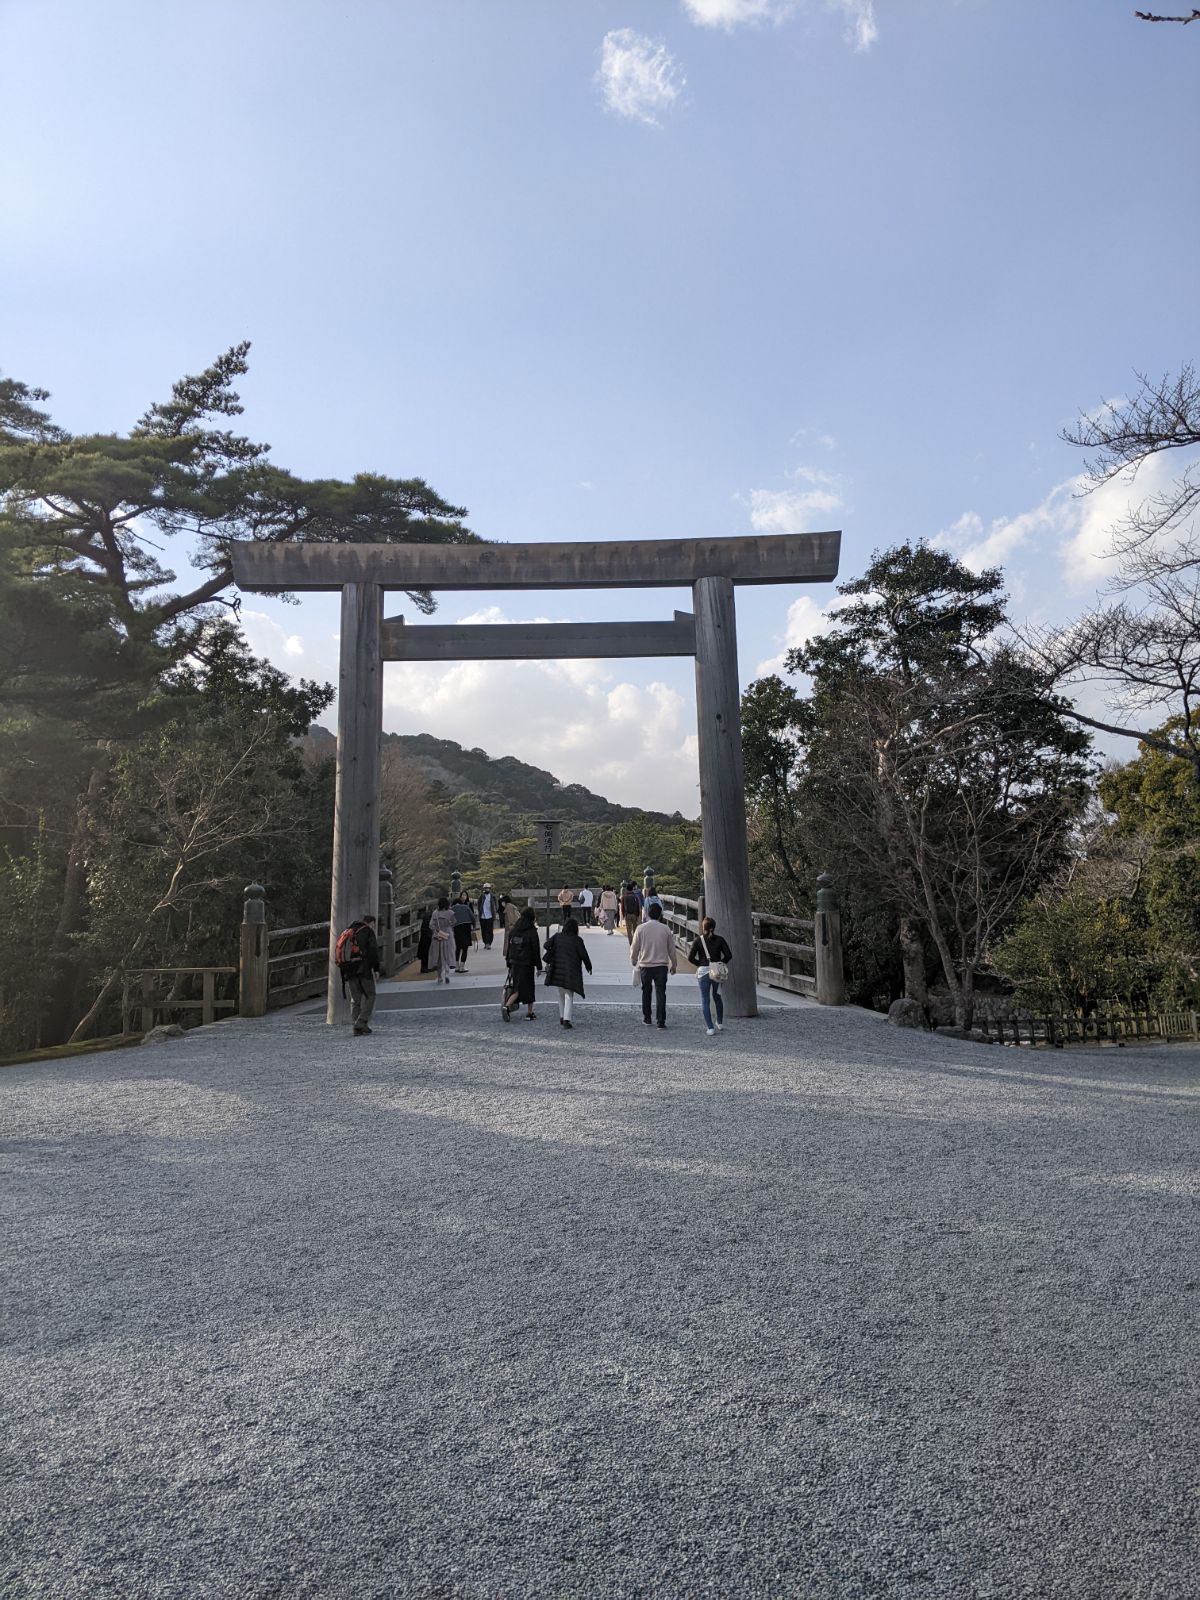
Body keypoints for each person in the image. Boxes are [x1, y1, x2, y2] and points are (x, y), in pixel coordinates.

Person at [630, 902, 676, 1028]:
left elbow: (635, 947)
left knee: (646, 991)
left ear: (648, 914)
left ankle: (647, 1018)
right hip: (661, 965)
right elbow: (672, 949)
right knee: (661, 992)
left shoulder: (641, 928)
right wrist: (674, 964)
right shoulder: (665, 929)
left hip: (645, 964)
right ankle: (661, 1021)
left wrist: (633, 959)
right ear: (660, 914)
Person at [542, 915, 592, 1029]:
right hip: (571, 970)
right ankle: (567, 1019)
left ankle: (561, 1016)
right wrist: (589, 966)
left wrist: (554, 949)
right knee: (569, 994)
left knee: (560, 993)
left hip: (557, 969)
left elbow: (546, 945)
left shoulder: (557, 937)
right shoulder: (577, 940)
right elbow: (584, 955)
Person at [688, 916, 734, 1036]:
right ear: (714, 927)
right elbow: (729, 955)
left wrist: (701, 964)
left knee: (705, 1000)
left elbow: (690, 958)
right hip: (716, 973)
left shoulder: (698, 940)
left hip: (703, 972)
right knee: (717, 996)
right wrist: (720, 964)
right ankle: (720, 1022)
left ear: (703, 927)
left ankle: (710, 1028)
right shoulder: (720, 940)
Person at [338, 914, 382, 1036]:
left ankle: (357, 1026)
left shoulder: (349, 930)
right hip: (363, 969)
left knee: (355, 999)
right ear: (371, 923)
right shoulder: (367, 931)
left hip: (349, 970)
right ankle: (361, 1022)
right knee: (370, 995)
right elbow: (373, 951)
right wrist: (377, 969)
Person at [502, 907, 542, 1021]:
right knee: (528, 987)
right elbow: (535, 950)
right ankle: (527, 1012)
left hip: (514, 962)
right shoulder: (532, 931)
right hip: (527, 963)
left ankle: (508, 1006)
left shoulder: (514, 931)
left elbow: (509, 948)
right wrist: (539, 967)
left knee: (517, 986)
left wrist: (508, 962)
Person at [429, 897, 456, 984]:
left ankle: (439, 976)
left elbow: (431, 925)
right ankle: (447, 973)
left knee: (439, 956)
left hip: (438, 936)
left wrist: (437, 930)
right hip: (448, 935)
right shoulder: (450, 913)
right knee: (447, 955)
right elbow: (454, 922)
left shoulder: (435, 913)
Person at [451, 892, 476, 973]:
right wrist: (474, 926)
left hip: (456, 928)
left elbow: (450, 920)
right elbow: (472, 917)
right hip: (466, 928)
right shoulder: (466, 907)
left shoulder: (452, 909)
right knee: (465, 948)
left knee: (457, 948)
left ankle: (456, 966)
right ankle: (462, 967)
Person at [478, 884, 497, 950]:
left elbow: (496, 905)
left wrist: (495, 912)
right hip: (482, 916)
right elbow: (479, 905)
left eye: (488, 888)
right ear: (484, 889)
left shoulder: (493, 896)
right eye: (486, 888)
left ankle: (489, 943)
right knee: (484, 931)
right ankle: (485, 943)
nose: (487, 889)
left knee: (490, 931)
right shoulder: (481, 896)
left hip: (490, 916)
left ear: (490, 889)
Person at [416, 905, 433, 972]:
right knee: (428, 952)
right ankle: (427, 967)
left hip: (424, 937)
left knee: (425, 952)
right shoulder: (431, 917)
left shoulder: (425, 919)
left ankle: (424, 967)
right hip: (428, 936)